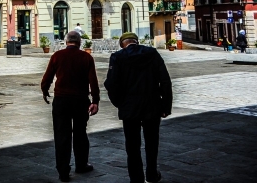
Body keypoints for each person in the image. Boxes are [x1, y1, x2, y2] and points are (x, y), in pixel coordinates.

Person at [105, 32, 172, 183]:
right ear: (136, 41)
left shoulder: (117, 57)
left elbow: (110, 84)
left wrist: (119, 103)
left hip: (129, 107)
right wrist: (165, 106)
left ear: (123, 43)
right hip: (152, 105)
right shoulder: (152, 53)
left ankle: (136, 178)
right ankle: (152, 174)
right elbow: (165, 81)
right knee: (152, 142)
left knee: (132, 145)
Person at [41, 30, 100, 182]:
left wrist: (45, 90)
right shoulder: (86, 57)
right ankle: (81, 164)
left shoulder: (57, 56)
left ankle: (63, 171)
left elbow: (47, 77)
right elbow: (93, 81)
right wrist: (95, 101)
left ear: (66, 42)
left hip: (61, 100)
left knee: (62, 136)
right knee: (80, 133)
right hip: (80, 101)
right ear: (79, 42)